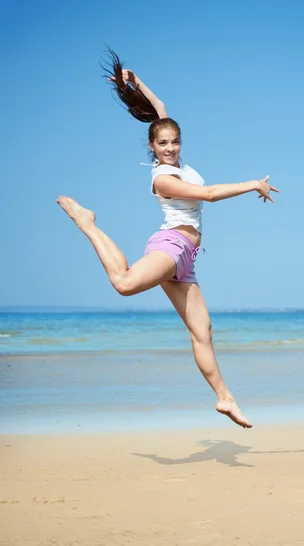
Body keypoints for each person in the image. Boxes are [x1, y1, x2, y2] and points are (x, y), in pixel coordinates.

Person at [56, 49, 279, 429]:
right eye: (163, 144)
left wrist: (134, 82)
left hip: (187, 257)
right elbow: (208, 195)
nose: (170, 147)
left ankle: (224, 398)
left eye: (174, 141)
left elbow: (159, 107)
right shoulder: (163, 178)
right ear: (152, 148)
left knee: (202, 331)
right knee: (124, 283)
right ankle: (88, 223)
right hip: (171, 246)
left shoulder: (178, 163)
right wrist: (253, 183)